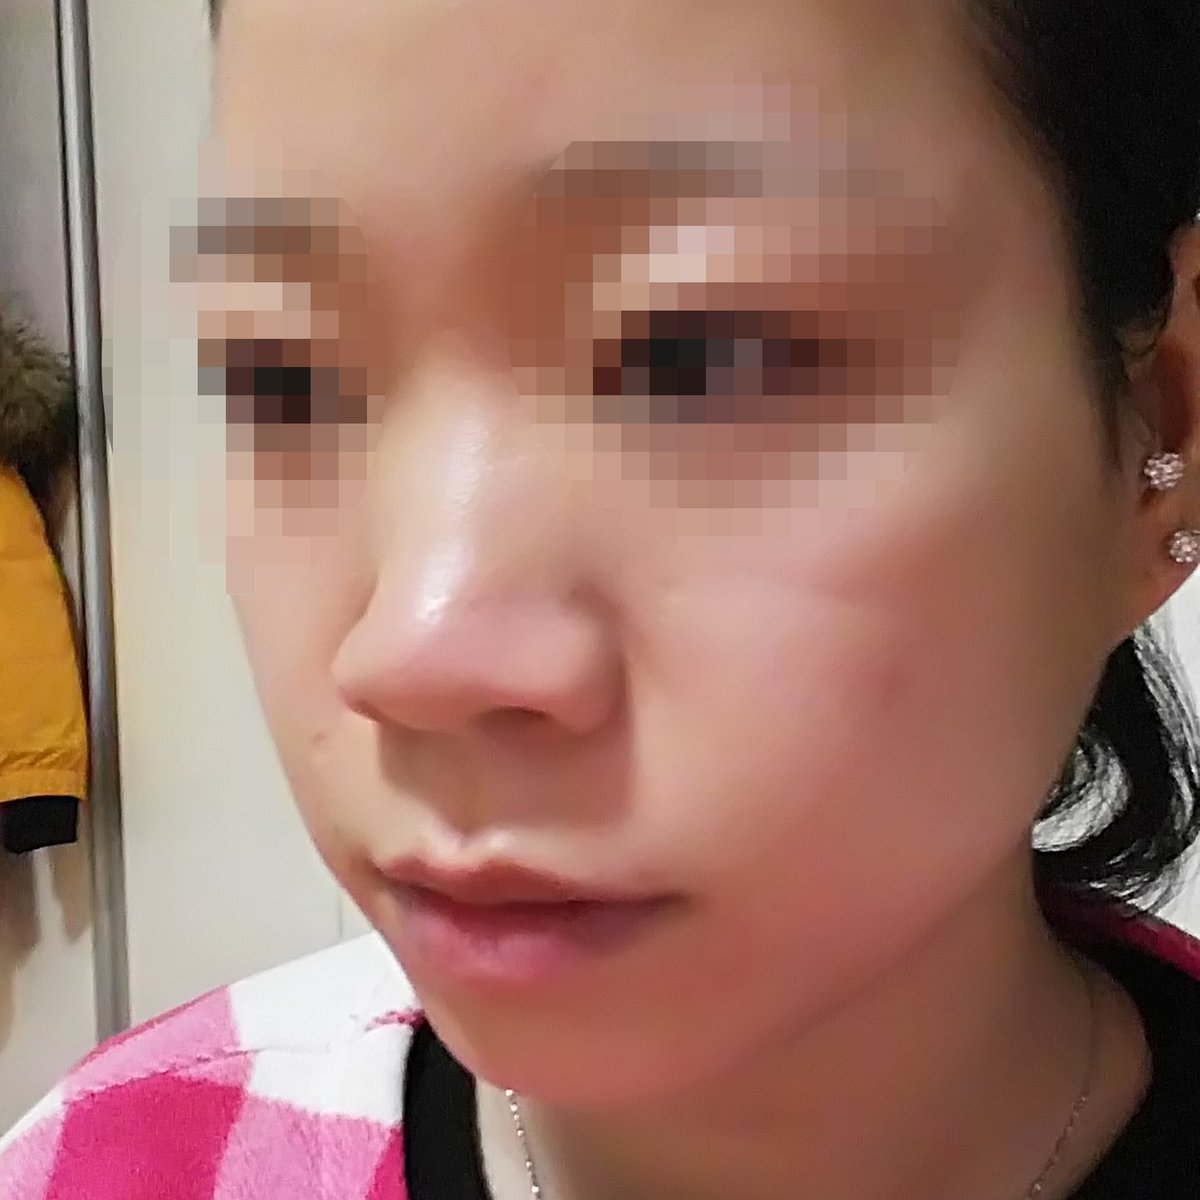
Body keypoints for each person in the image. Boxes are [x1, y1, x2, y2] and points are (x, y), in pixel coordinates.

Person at [4, 0, 1200, 1196]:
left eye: (705, 360)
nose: (415, 650)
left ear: (1167, 423)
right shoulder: (108, 1169)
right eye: (283, 379)